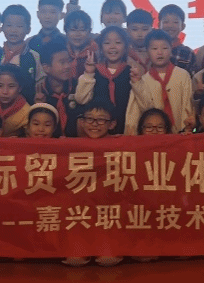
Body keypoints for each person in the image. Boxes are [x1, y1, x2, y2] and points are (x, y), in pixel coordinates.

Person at [64, 100, 121, 268]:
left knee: (107, 260)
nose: (95, 124)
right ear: (81, 121)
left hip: (109, 214)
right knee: (75, 260)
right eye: (90, 119)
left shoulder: (120, 144)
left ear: (112, 124)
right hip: (79, 214)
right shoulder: (69, 146)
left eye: (101, 120)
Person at [125, 29, 194, 134]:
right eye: (154, 48)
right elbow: (139, 112)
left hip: (180, 135)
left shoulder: (182, 75)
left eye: (165, 48)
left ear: (171, 49)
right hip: (154, 136)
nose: (160, 52)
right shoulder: (142, 80)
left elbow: (187, 106)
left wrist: (186, 129)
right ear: (147, 51)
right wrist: (137, 84)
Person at [74, 26, 137, 134]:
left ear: (126, 47)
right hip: (98, 131)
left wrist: (137, 82)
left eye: (118, 42)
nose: (112, 47)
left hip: (126, 130)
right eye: (107, 43)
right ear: (101, 48)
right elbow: (81, 99)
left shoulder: (132, 72)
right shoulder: (94, 72)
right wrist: (88, 74)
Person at [0, 4, 43, 102]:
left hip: (26, 107)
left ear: (28, 29)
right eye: (9, 25)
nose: (13, 30)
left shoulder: (34, 56)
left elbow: (40, 84)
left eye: (19, 26)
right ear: (2, 28)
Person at [36, 42, 79, 137]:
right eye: (62, 62)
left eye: (69, 61)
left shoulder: (78, 88)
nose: (67, 66)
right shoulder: (37, 92)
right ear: (46, 68)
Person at [158, 4, 194, 73]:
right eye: (166, 22)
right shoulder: (151, 49)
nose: (170, 26)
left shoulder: (188, 53)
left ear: (183, 26)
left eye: (175, 22)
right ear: (159, 25)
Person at [64, 10, 97, 84]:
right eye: (73, 30)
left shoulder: (97, 54)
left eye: (82, 30)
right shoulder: (61, 52)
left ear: (89, 31)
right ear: (66, 31)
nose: (77, 34)